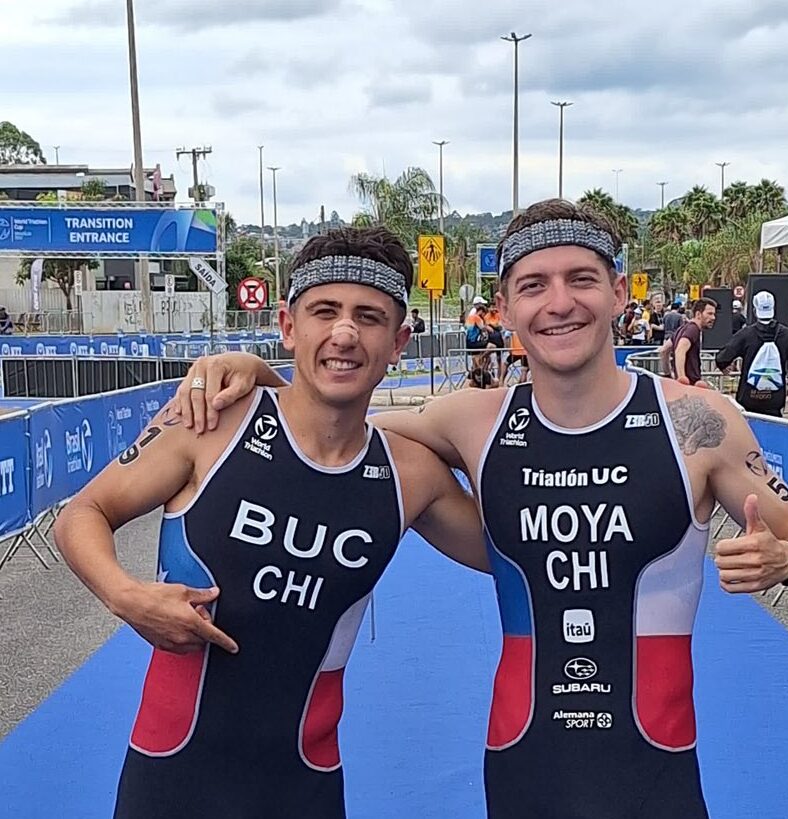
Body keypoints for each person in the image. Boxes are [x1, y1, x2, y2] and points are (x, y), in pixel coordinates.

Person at [176, 199, 788, 819]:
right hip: (524, 760)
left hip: (654, 767)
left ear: (618, 292)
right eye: (534, 285)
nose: (559, 303)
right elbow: (333, 422)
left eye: (581, 279)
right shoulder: (474, 421)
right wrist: (260, 375)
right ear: (507, 308)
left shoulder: (696, 421)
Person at [53, 226, 488, 819]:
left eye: (368, 317)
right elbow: (83, 512)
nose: (344, 333)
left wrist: (482, 421)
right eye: (324, 311)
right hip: (172, 779)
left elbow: (516, 550)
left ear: (399, 342)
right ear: (288, 325)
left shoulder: (410, 475)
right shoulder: (211, 424)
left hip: (305, 787)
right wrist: (124, 595)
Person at [715, 291, 788, 417]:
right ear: (773, 309)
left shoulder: (746, 334)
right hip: (775, 400)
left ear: (755, 311)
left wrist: (724, 368)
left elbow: (722, 357)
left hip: (749, 398)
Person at [671, 297, 716, 385]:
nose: (713, 317)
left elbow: (664, 351)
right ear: (698, 314)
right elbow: (680, 349)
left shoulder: (682, 329)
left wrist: (668, 373)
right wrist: (682, 378)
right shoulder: (693, 329)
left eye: (714, 314)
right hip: (690, 384)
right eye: (709, 314)